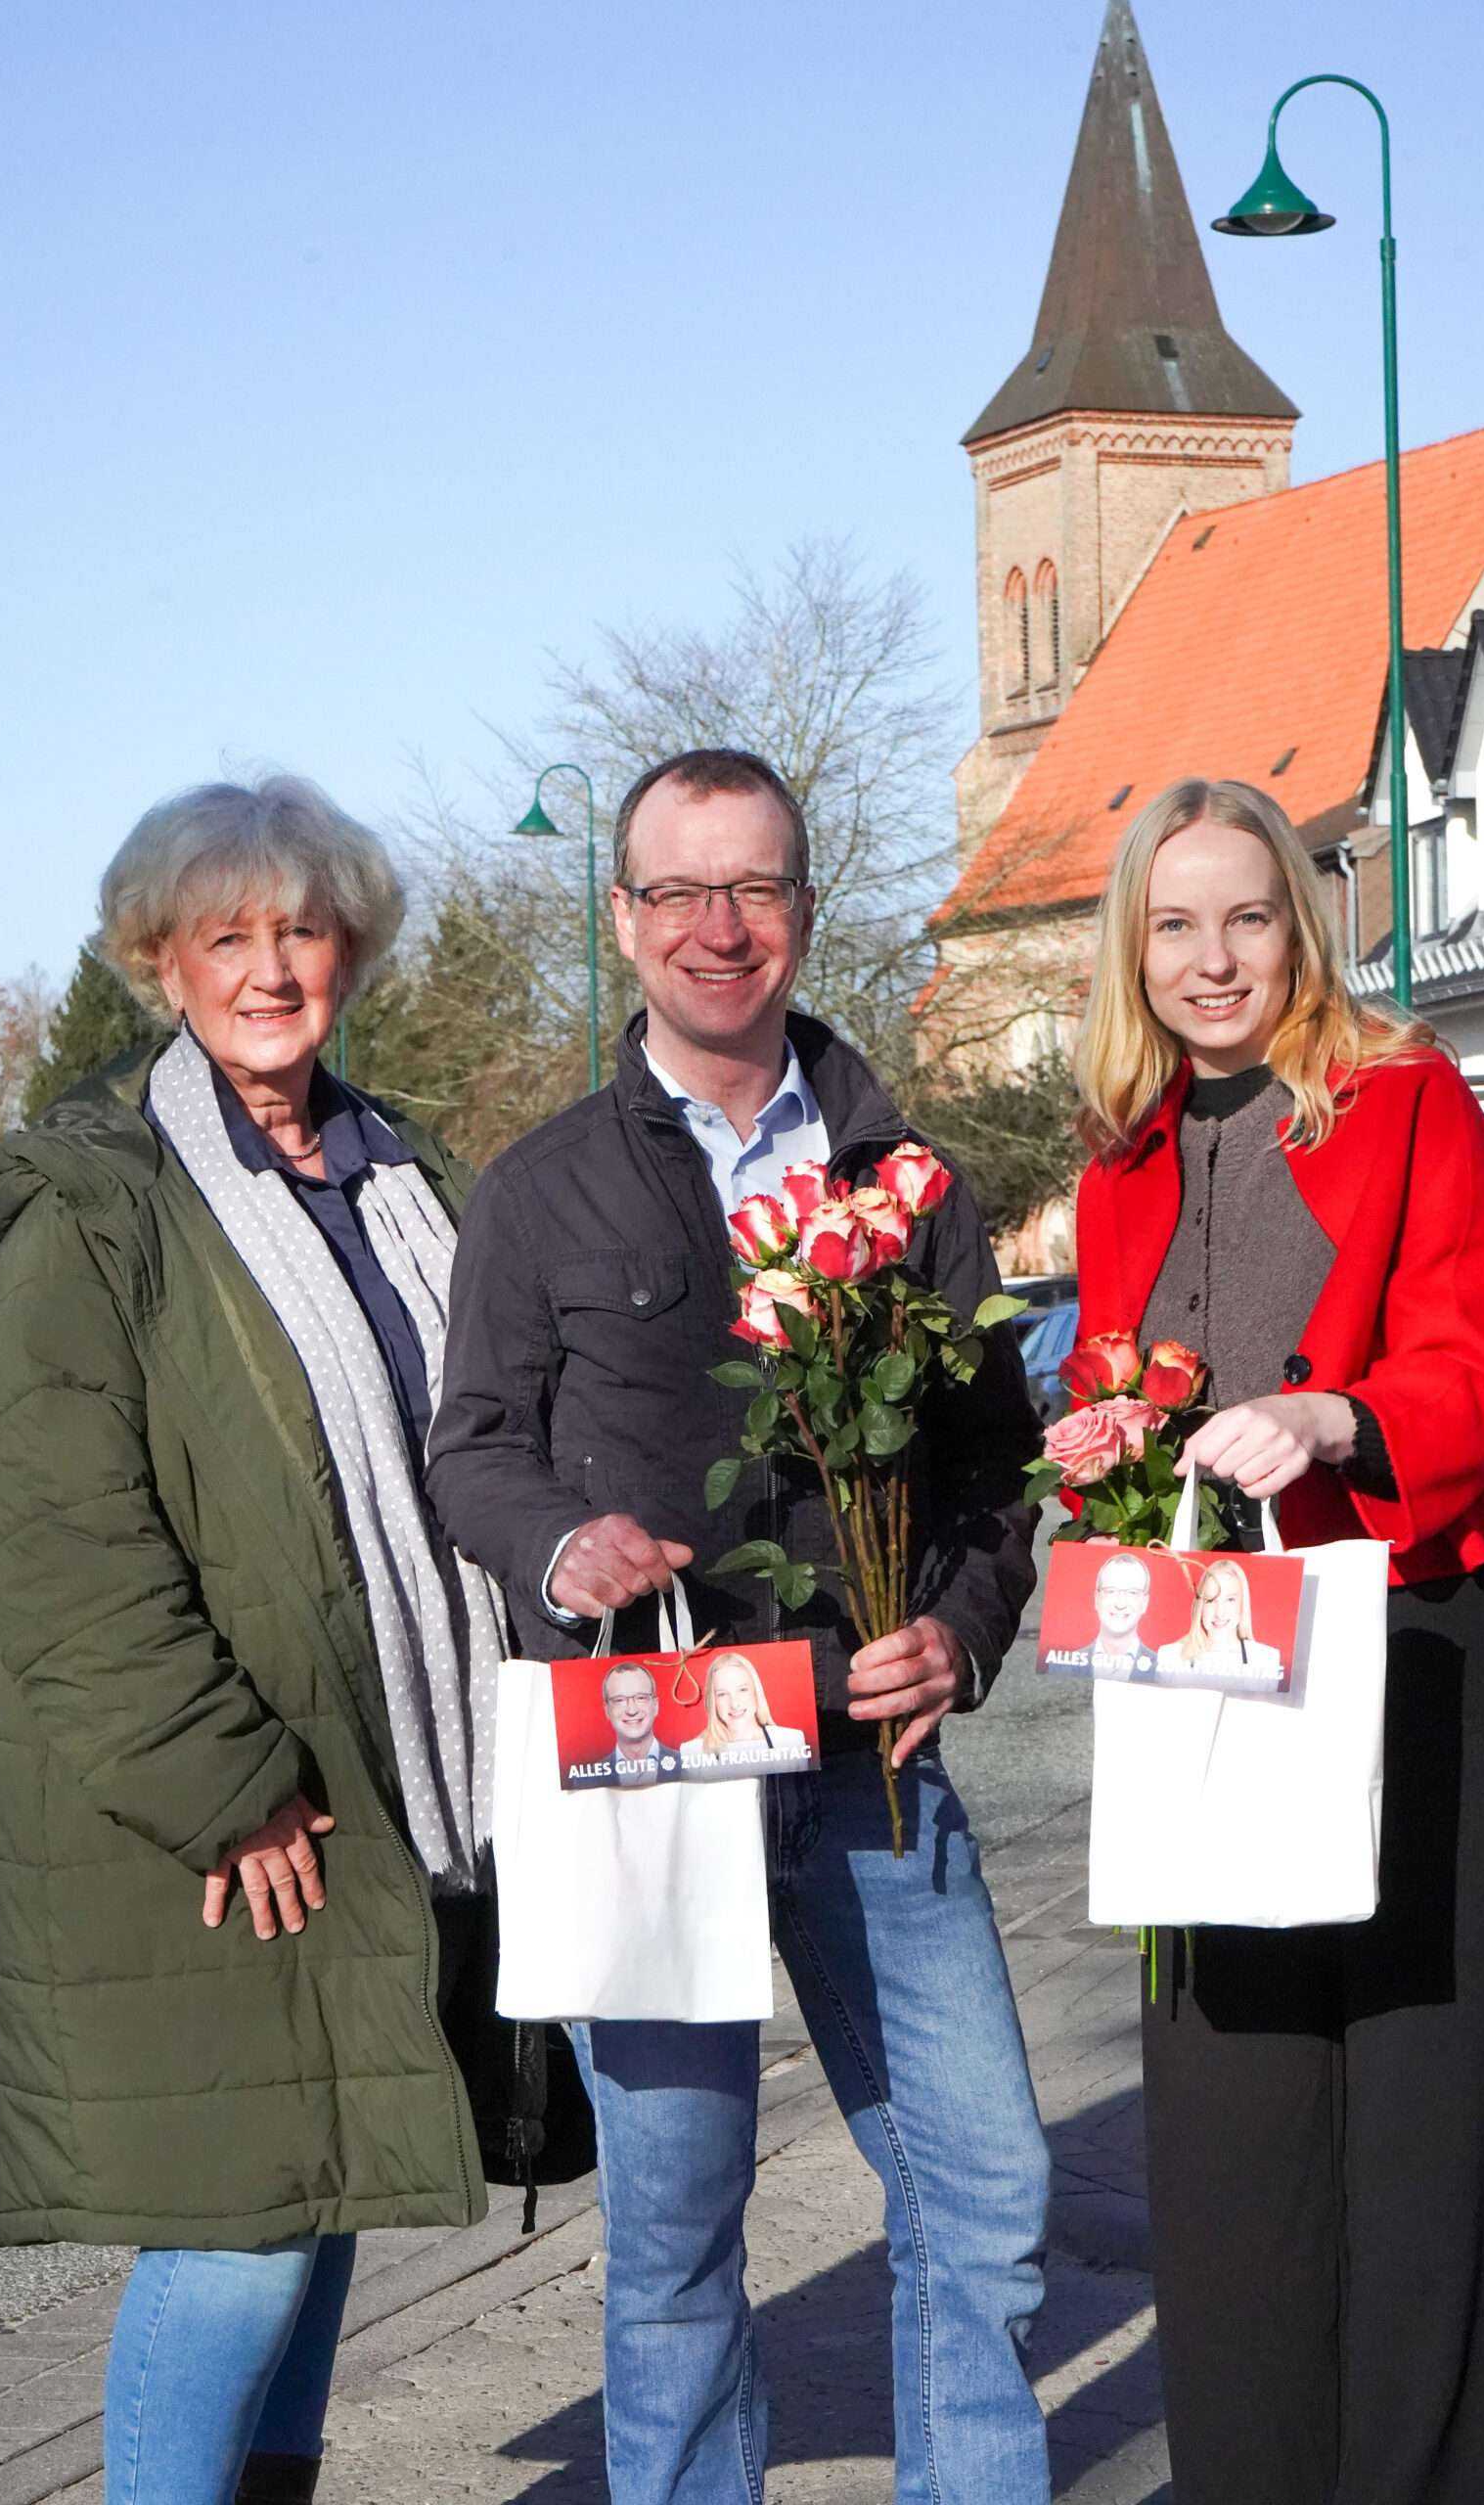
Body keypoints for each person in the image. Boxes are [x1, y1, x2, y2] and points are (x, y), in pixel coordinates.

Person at [438, 748, 1052, 2503]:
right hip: (661, 1763)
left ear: (801, 908)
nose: (722, 929)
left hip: (869, 1762)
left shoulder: (904, 1175)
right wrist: (561, 1552)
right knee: (677, 2240)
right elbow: (472, 1450)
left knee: (989, 2190)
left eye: (757, 889)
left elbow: (998, 1461)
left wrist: (959, 1627)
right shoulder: (540, 1188)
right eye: (681, 894)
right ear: (623, 920)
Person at [0, 777, 505, 2505]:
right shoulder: (101, 1204)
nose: (273, 969)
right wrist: (224, 1785)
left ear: (351, 949)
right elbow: (59, 1549)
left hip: (382, 1784)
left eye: (303, 931)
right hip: (218, 1819)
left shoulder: (398, 1172)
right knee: (244, 2234)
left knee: (330, 2199)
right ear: (160, 963)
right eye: (228, 938)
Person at [1070, 774, 1484, 2504]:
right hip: (1215, 1669)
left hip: (1409, 1645)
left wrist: (1337, 1419)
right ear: (1132, 950)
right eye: (1174, 925)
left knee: (1432, 2134)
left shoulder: (1403, 1096)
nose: (1213, 960)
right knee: (1233, 2138)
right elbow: (1124, 1380)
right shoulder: (1121, 1157)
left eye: (1246, 916)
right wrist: (1103, 1441)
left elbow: (1473, 1368)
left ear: (1302, 917)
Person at [676, 1650, 812, 1774]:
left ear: (756, 1692)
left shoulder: (791, 1741)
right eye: (722, 1694)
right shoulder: (692, 1752)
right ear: (713, 1702)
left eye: (742, 1690)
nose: (734, 1704)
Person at [1155, 1559, 1282, 1688]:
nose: (1219, 1613)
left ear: (1242, 1604)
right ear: (1200, 1606)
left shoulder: (1267, 1660)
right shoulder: (1169, 1656)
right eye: (1210, 1600)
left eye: (1230, 1599)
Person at [1045, 1552, 1158, 1678]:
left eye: (1132, 1593)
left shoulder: (1164, 1670)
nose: (1120, 1604)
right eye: (1111, 1591)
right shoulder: (1063, 1666)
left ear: (1145, 1602)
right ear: (1096, 1598)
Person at [567, 1662, 683, 1786]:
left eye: (641, 1698)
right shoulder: (586, 1780)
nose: (631, 1710)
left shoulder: (687, 1766)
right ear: (607, 1710)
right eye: (619, 1700)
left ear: (656, 1705)